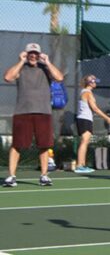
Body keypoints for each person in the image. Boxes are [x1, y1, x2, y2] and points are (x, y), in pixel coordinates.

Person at [2, 43, 64, 187]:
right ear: (27, 53)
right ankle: (11, 176)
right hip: (22, 112)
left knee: (44, 145)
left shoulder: (45, 69)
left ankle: (44, 176)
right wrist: (21, 61)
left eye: (36, 53)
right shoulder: (21, 68)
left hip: (43, 112)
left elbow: (59, 78)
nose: (33, 56)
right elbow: (8, 77)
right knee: (17, 145)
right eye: (31, 53)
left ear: (39, 54)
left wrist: (47, 62)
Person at [75, 75, 110, 173]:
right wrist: (107, 118)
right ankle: (79, 166)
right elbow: (95, 108)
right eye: (94, 81)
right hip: (84, 119)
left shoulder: (86, 92)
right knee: (85, 141)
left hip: (85, 119)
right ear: (90, 82)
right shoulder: (87, 93)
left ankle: (82, 165)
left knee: (85, 141)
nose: (96, 83)